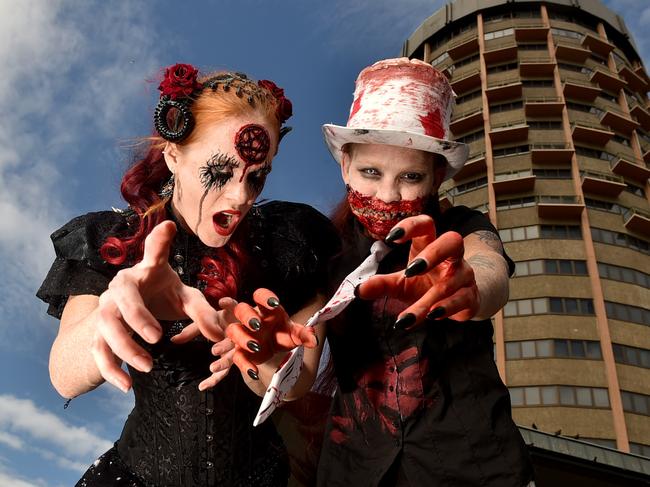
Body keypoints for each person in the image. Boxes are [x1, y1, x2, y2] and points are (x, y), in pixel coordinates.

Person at [227, 57, 534, 486]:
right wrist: (271, 361)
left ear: (436, 178)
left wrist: (467, 285)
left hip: (473, 468)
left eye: (410, 176)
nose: (388, 195)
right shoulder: (325, 253)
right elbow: (296, 373)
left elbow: (489, 268)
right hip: (352, 470)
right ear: (344, 165)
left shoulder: (462, 227)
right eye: (371, 172)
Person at [37, 62, 338, 487]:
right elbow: (64, 377)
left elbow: (295, 384)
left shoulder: (290, 242)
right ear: (173, 155)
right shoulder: (112, 241)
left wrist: (265, 354)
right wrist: (116, 311)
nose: (239, 196)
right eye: (217, 173)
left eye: (256, 178)